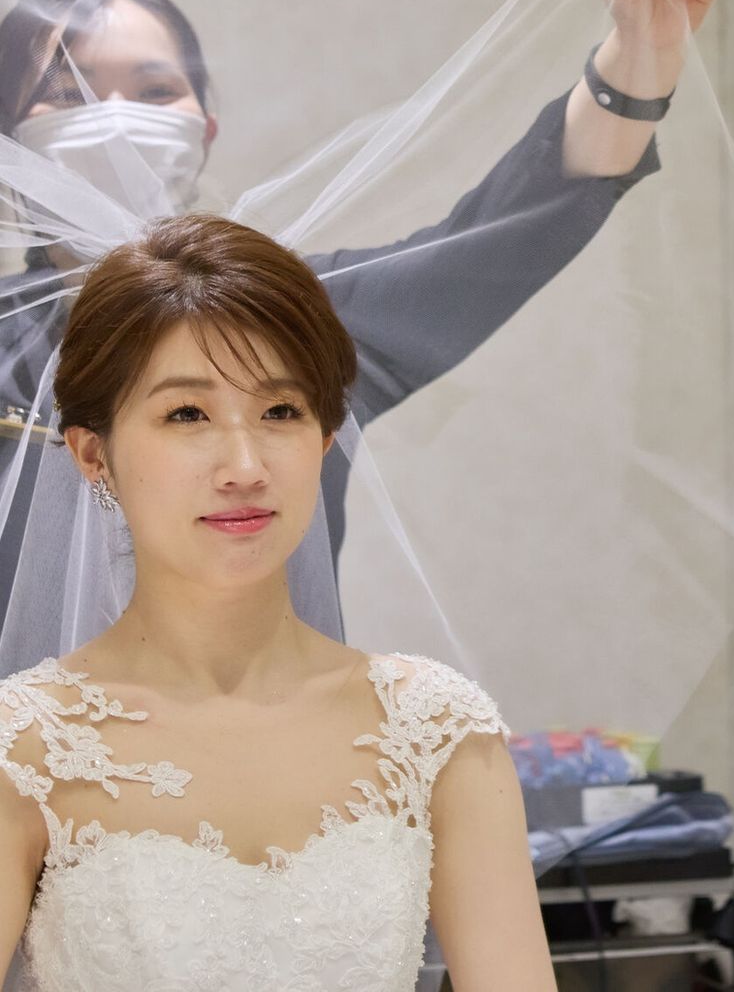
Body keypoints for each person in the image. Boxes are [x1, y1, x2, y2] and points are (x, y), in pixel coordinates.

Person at [0, 0, 719, 668]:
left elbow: (502, 237)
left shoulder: (303, 316)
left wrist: (639, 58)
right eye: (67, 91)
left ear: (205, 130)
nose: (113, 117)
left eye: (154, 89)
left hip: (274, 736)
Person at [0, 213, 557, 989]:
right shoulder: (25, 749)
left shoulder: (438, 732)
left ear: (324, 440)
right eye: (187, 414)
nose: (245, 466)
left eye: (281, 412)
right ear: (95, 454)